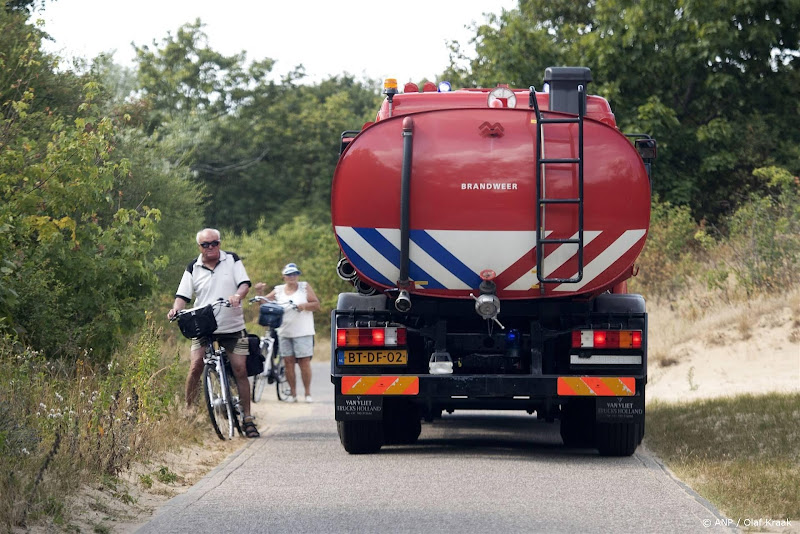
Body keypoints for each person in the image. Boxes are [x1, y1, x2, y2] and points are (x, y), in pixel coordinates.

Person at [167, 228, 260, 438]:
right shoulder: (193, 266)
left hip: (234, 326)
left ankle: (247, 418)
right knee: (195, 366)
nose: (210, 248)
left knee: (241, 369)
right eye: (205, 245)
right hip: (203, 325)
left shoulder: (232, 259)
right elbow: (183, 295)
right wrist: (175, 309)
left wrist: (237, 295)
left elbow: (244, 284)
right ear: (199, 247)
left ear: (219, 243)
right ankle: (189, 411)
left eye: (214, 243)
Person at [255, 263, 320, 403]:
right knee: (288, 362)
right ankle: (293, 394)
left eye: (295, 274)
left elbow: (316, 304)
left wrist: (303, 306)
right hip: (284, 331)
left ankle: (307, 393)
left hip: (303, 331)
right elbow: (263, 304)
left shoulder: (304, 287)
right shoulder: (278, 290)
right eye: (289, 274)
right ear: (284, 276)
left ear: (298, 275)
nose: (292, 277)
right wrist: (260, 292)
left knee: (304, 362)